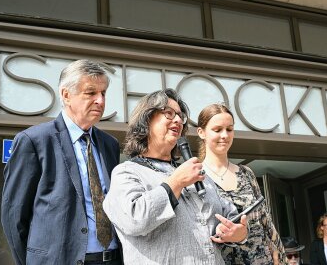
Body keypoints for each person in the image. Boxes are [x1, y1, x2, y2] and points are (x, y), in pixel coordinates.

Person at [102, 89, 248, 264]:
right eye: (169, 114)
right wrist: (176, 182)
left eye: (180, 116)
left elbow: (229, 214)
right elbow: (134, 220)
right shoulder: (127, 172)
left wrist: (239, 233)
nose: (178, 120)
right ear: (146, 120)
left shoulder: (196, 172)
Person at [1, 59, 121, 265]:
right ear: (66, 95)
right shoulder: (35, 141)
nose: (100, 100)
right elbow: (14, 216)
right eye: (91, 93)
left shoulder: (110, 144)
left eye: (103, 93)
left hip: (111, 259)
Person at [197, 103, 286, 265]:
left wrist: (280, 255)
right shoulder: (195, 176)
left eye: (229, 129)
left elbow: (266, 220)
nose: (224, 135)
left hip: (263, 260)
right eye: (217, 130)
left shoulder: (246, 173)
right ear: (201, 133)